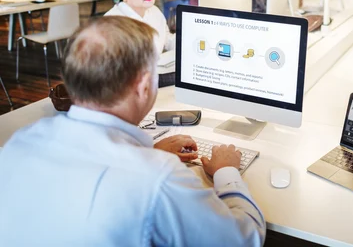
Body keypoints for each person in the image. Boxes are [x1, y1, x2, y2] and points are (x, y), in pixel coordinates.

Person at [0, 16, 266, 245]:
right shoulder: (157, 178)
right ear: (143, 85)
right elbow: (244, 239)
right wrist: (226, 172)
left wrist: (144, 150)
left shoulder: (19, 142)